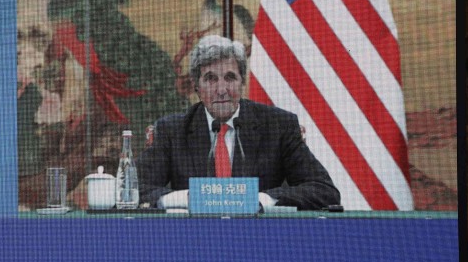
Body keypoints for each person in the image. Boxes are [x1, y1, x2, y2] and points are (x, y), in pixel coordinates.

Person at [136, 34, 339, 210]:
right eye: (210, 79)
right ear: (196, 86)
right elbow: (134, 189)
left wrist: (262, 200)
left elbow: (323, 190)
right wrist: (186, 198)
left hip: (259, 238)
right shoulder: (172, 131)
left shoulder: (279, 126)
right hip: (193, 238)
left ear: (242, 82)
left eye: (230, 77)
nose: (222, 89)